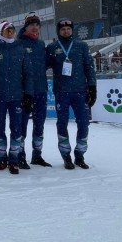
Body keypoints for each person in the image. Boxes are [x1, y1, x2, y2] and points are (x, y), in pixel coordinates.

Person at [46, 18, 96, 170]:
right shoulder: (53, 47)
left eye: (68, 29)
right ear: (58, 31)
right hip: (62, 92)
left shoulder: (81, 45)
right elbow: (41, 65)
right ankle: (66, 155)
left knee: (83, 123)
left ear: (72, 30)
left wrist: (92, 87)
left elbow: (89, 66)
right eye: (62, 29)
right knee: (62, 123)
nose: (66, 31)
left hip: (80, 91)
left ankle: (80, 155)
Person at [0, 20, 33, 174]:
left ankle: (14, 160)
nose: (10, 32)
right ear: (1, 33)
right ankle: (2, 159)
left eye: (12, 30)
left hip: (17, 97)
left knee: (16, 129)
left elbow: (28, 75)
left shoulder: (21, 50)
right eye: (7, 30)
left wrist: (28, 95)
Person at [18, 13, 51, 168]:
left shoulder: (41, 44)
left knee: (39, 124)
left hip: (41, 91)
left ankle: (37, 155)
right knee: (22, 125)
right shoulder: (18, 44)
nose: (34, 26)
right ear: (26, 26)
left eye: (37, 24)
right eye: (31, 24)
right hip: (24, 92)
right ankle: (20, 155)